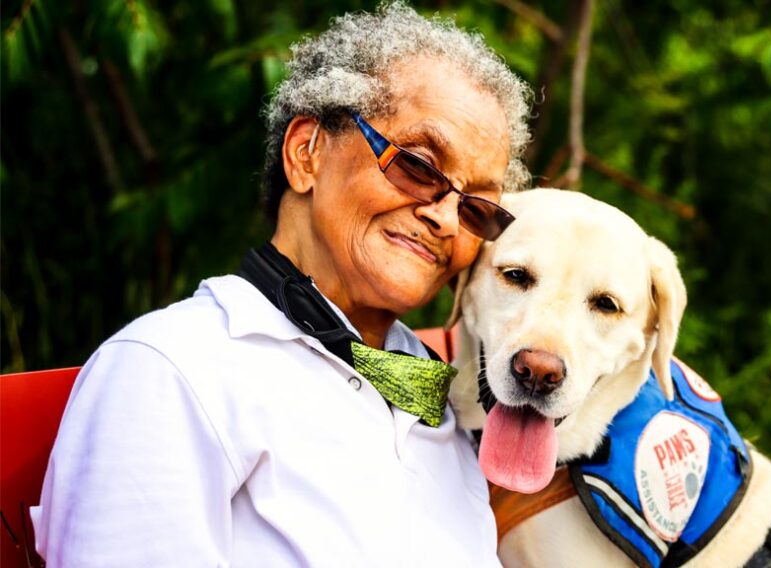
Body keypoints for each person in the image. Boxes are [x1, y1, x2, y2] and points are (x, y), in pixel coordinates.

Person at [31, 3, 533, 565]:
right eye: (418, 165)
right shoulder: (172, 369)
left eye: (476, 206)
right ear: (306, 153)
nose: (444, 218)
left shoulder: (446, 396)